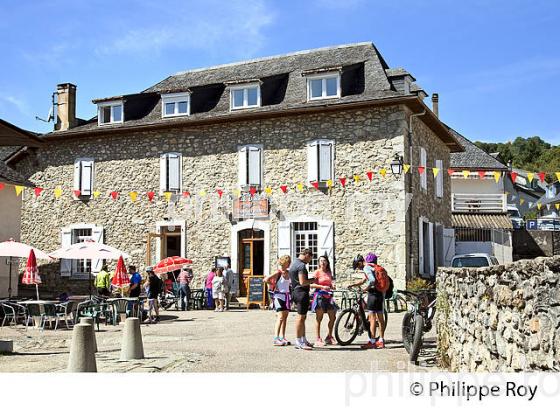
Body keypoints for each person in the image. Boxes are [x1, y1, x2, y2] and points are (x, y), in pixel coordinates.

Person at [349, 253, 386, 349]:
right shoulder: (374, 267)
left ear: (361, 262)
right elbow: (363, 280)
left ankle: (372, 341)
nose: (358, 267)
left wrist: (365, 289)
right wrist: (353, 285)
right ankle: (381, 341)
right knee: (380, 319)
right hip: (380, 294)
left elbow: (372, 280)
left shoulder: (366, 268)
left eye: (357, 265)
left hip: (373, 295)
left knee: (372, 318)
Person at [289, 248, 316, 350]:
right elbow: (303, 282)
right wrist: (313, 280)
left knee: (303, 317)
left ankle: (303, 339)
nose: (309, 261)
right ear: (306, 255)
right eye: (310, 259)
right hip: (301, 293)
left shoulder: (294, 263)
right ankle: (298, 341)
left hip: (295, 292)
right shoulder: (301, 266)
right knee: (300, 318)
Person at [264, 255, 292, 346]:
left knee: (285, 318)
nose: (288, 264)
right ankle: (276, 338)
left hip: (287, 297)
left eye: (289, 262)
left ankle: (282, 337)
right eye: (287, 262)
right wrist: (273, 284)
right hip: (278, 296)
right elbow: (266, 279)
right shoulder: (278, 272)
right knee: (280, 317)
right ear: (283, 263)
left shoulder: (289, 273)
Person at [310, 255, 337, 346]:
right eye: (321, 261)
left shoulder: (329, 272)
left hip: (329, 296)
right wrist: (322, 287)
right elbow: (311, 285)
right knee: (319, 318)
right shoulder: (317, 272)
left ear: (327, 262)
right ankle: (318, 338)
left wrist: (332, 286)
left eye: (324, 260)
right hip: (320, 296)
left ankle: (329, 336)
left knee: (333, 317)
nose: (323, 262)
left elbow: (330, 283)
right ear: (319, 263)